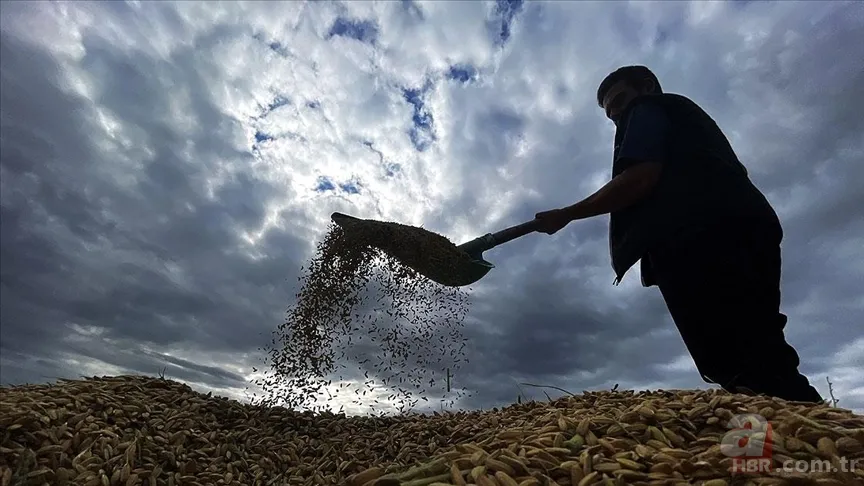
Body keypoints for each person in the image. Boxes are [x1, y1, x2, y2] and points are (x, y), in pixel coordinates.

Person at [533, 65, 824, 403]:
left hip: (704, 235)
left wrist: (567, 214)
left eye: (621, 102)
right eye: (611, 114)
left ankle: (805, 433)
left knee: (740, 355)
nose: (619, 116)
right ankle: (803, 432)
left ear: (647, 88)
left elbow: (642, 176)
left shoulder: (649, 108)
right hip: (743, 225)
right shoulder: (690, 125)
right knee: (755, 345)